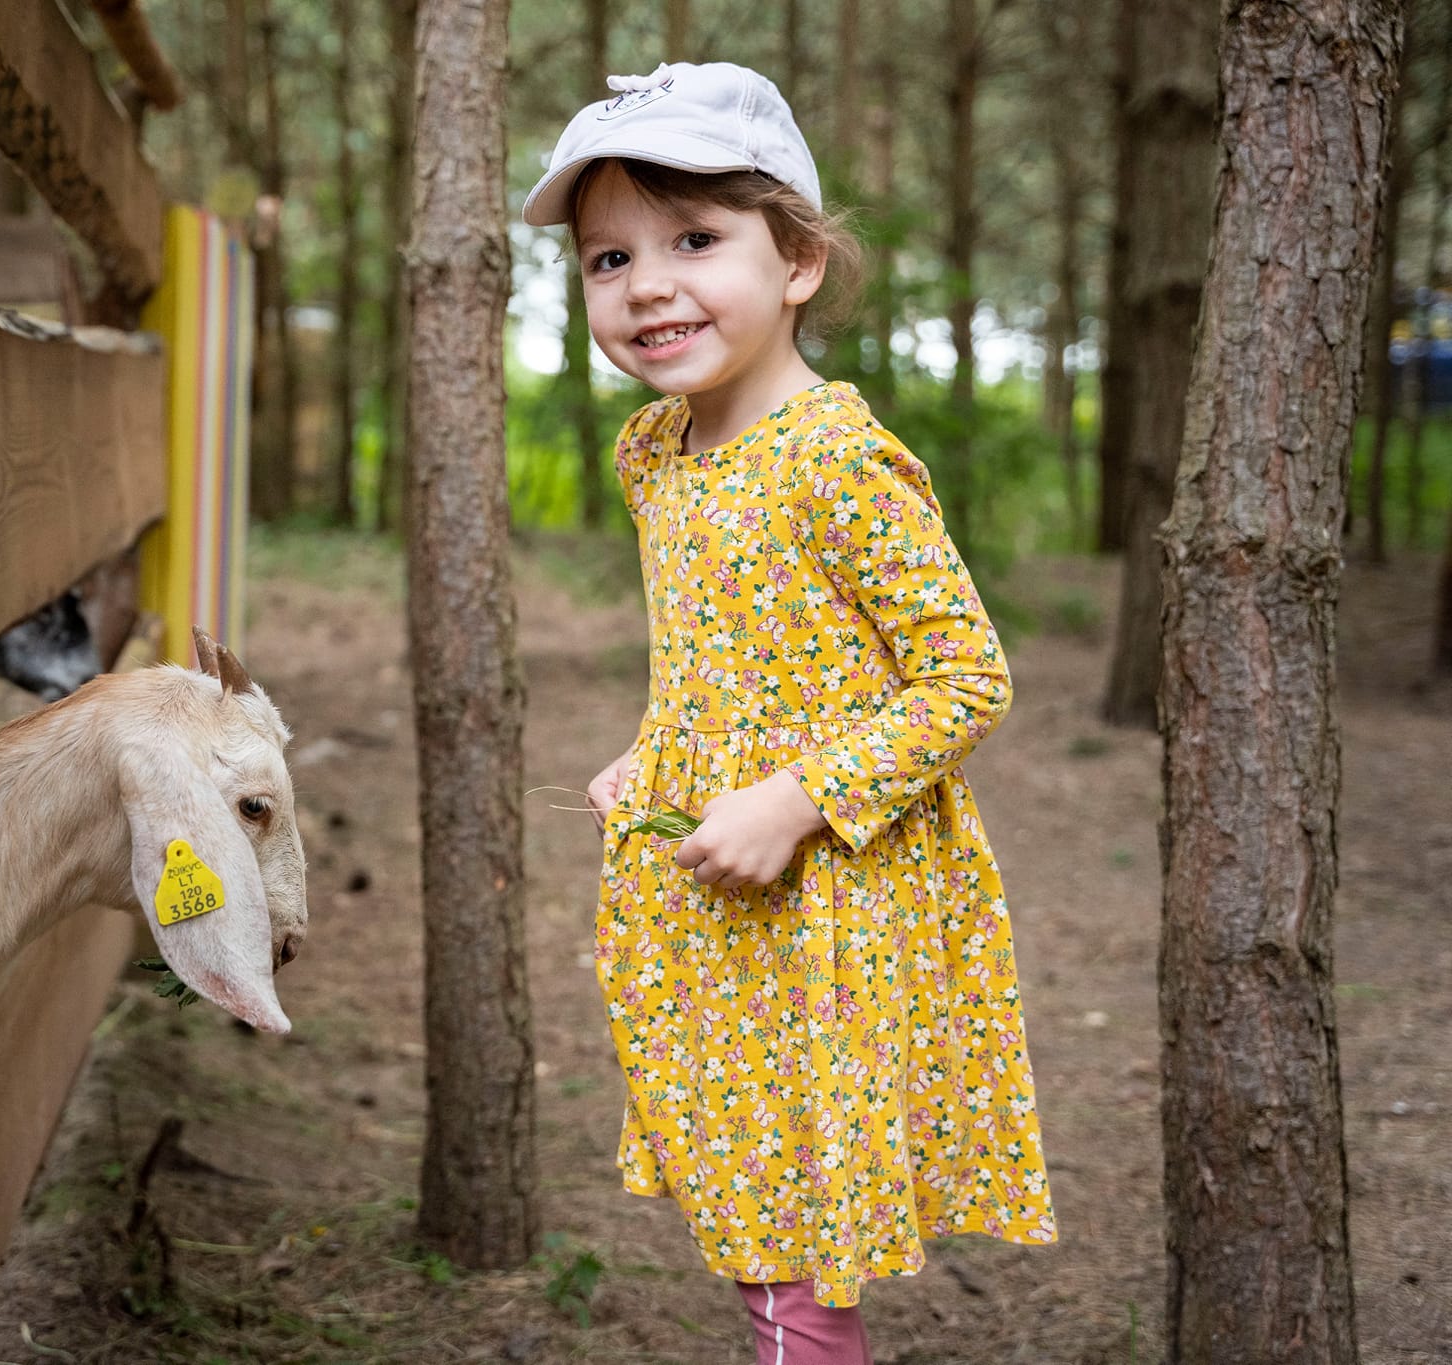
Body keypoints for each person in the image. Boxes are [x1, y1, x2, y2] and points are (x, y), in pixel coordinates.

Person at [526, 61, 1057, 1364]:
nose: (648, 283)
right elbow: (721, 658)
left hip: (834, 903)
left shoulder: (836, 459)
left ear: (801, 261)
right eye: (609, 258)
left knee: (802, 1227)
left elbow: (966, 677)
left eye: (695, 240)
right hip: (718, 895)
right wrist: (653, 756)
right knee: (748, 1190)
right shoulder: (655, 455)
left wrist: (798, 795)